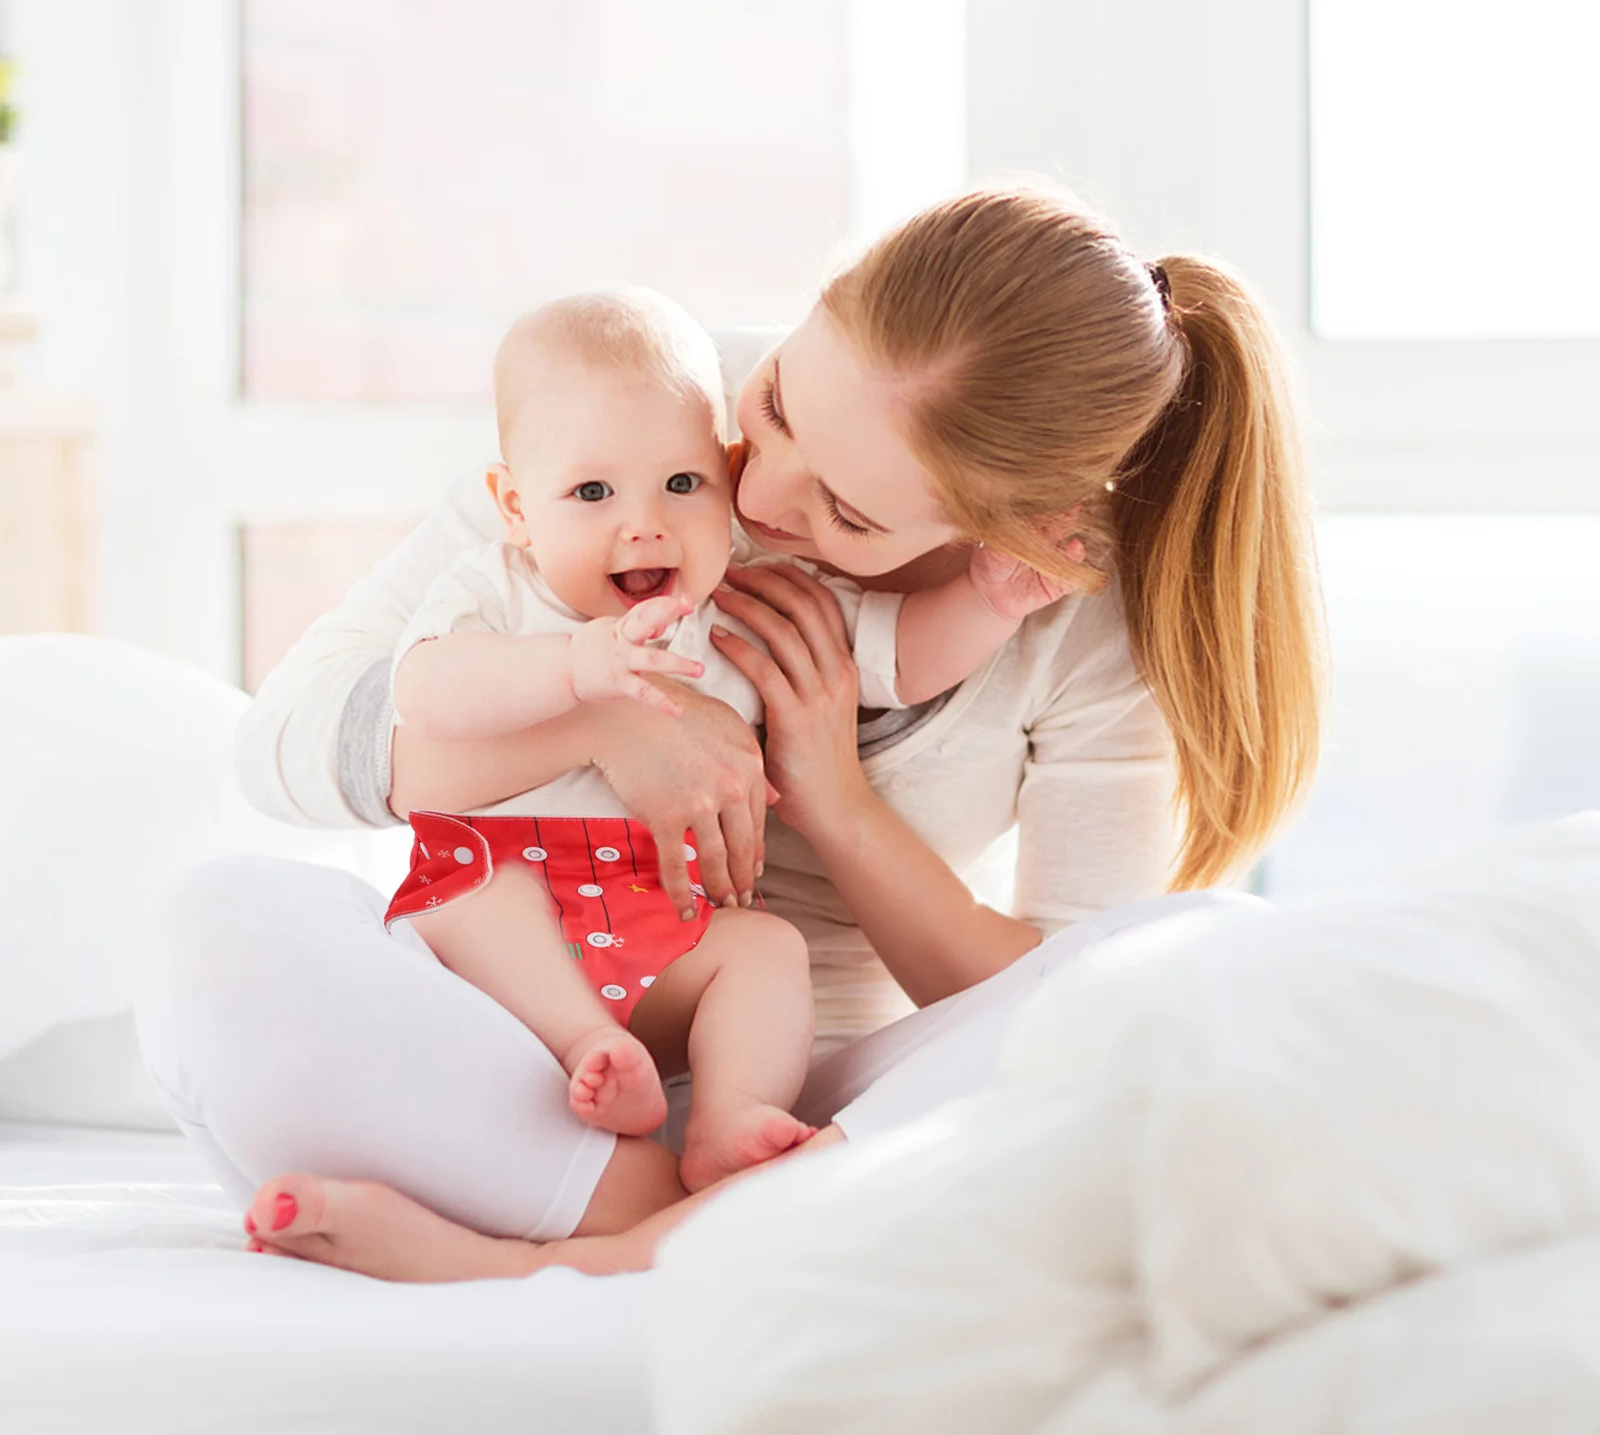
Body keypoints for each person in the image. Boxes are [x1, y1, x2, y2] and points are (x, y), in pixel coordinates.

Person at [135, 184, 1325, 1277]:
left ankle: (561, 1255)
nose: (754, 497)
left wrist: (830, 794)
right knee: (221, 925)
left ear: (1016, 531)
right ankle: (680, 1214)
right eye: (777, 408)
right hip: (522, 1047)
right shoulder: (646, 423)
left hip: (813, 1095)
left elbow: (1068, 998)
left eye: (848, 514)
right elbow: (282, 745)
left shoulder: (1078, 622)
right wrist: (605, 722)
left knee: (1186, 965)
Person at [387, 288, 1060, 1188]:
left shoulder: (734, 606)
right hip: (506, 901)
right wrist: (575, 677)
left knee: (764, 951)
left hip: (658, 917)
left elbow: (895, 655)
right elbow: (423, 691)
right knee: (469, 900)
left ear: (724, 476)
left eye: (682, 483)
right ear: (515, 507)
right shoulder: (500, 591)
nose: (645, 522)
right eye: (592, 492)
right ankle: (589, 1048)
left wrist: (986, 604)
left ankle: (731, 1118)